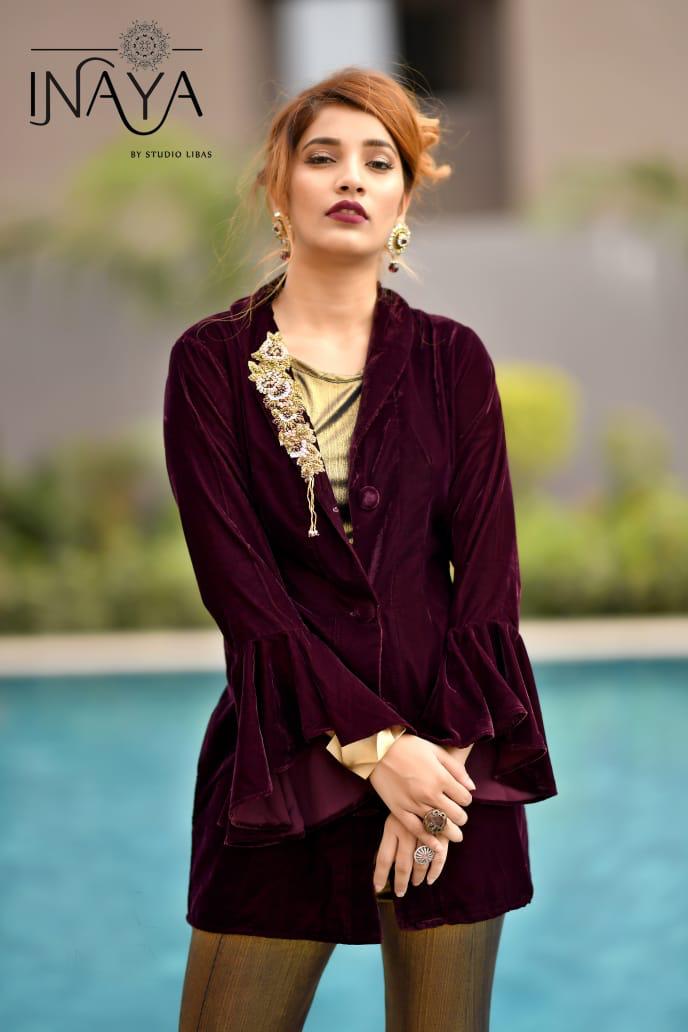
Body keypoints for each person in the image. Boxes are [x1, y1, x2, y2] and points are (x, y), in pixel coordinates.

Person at [164, 66, 558, 1032]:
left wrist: (439, 774)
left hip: (451, 764)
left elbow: (488, 586)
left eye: (379, 162)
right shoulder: (209, 363)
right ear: (279, 186)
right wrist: (379, 751)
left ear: (403, 199)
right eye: (323, 156)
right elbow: (242, 595)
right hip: (286, 757)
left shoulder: (453, 360)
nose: (351, 177)